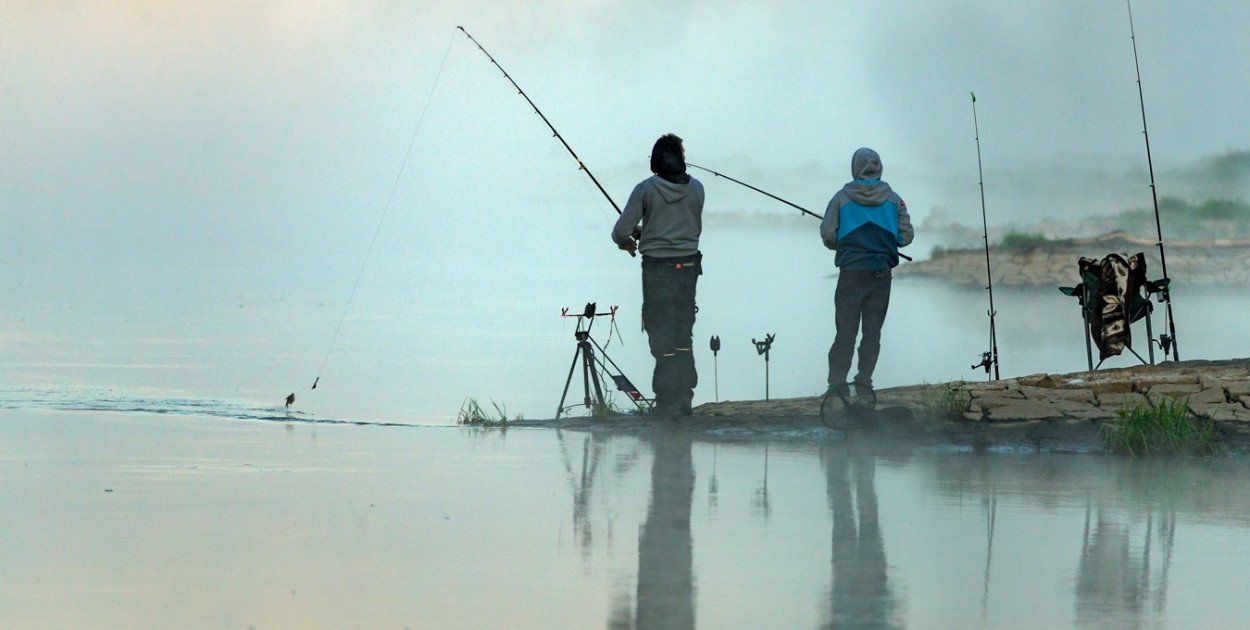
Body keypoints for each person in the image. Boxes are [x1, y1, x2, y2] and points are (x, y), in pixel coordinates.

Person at [612, 133, 705, 417]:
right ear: (680, 160)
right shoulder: (698, 188)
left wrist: (630, 240)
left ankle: (666, 401)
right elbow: (679, 225)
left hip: (657, 270)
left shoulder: (645, 190)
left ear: (655, 160)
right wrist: (649, 231)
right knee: (682, 332)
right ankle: (685, 395)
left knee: (660, 333)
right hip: (689, 269)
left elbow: (619, 232)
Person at [820, 147, 913, 408]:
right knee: (872, 334)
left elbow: (828, 235)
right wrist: (886, 241)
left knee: (845, 333)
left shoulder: (841, 198)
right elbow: (906, 236)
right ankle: (864, 385)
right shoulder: (894, 199)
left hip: (850, 274)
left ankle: (837, 386)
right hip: (881, 275)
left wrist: (846, 243)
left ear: (855, 167)